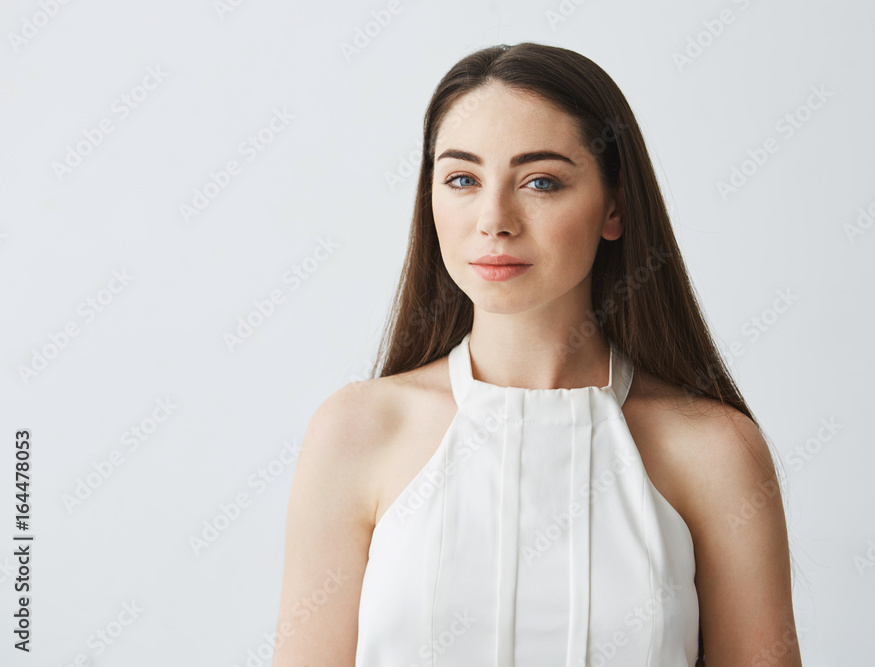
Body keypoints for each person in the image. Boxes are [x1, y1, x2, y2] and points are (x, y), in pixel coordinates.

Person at [273, 42, 802, 667]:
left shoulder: (716, 451)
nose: (494, 219)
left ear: (615, 206)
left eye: (541, 181)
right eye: (462, 179)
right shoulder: (356, 432)